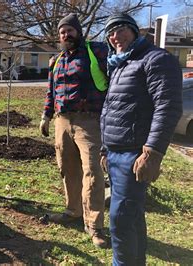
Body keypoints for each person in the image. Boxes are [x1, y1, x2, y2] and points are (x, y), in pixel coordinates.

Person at [100, 13, 182, 264]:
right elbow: (111, 109)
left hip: (135, 154)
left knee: (120, 221)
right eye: (110, 33)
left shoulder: (156, 59)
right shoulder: (120, 64)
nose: (115, 37)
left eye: (120, 29)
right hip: (115, 153)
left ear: (135, 31)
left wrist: (152, 153)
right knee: (132, 217)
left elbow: (167, 108)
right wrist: (105, 149)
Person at [39, 13, 109, 248]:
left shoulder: (96, 51)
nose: (66, 35)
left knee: (92, 172)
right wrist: (45, 116)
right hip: (62, 121)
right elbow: (51, 91)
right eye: (62, 32)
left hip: (89, 121)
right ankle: (73, 211)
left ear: (78, 32)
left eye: (69, 30)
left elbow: (116, 73)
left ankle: (94, 225)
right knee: (67, 168)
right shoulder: (57, 60)